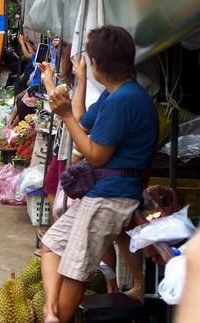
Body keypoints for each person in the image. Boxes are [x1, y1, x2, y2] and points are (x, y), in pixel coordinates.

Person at [39, 25, 158, 323]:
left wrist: (65, 115)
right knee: (52, 245)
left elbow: (95, 154)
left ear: (99, 64)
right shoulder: (115, 93)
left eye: (90, 62)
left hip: (111, 197)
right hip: (103, 193)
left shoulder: (124, 101)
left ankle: (58, 316)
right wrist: (77, 82)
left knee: (74, 269)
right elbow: (83, 121)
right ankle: (50, 310)